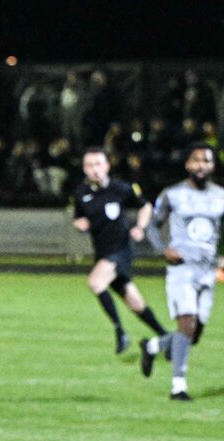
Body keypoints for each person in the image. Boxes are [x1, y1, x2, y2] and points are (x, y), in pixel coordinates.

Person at [141, 143, 224, 400]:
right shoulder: (172, 194)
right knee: (187, 323)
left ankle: (153, 346)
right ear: (187, 164)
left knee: (193, 334)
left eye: (206, 160)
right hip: (181, 268)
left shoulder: (223, 197)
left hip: (207, 270)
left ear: (213, 165)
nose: (201, 165)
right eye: (196, 160)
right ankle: (178, 387)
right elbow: (152, 226)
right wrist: (163, 249)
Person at [71, 147, 167, 354]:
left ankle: (120, 332)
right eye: (90, 165)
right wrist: (80, 224)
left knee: (96, 282)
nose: (94, 169)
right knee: (135, 303)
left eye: (98, 164)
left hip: (121, 250)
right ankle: (166, 337)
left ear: (107, 166)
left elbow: (146, 206)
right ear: (84, 169)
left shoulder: (121, 188)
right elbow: (78, 218)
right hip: (102, 252)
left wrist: (140, 227)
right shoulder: (81, 193)